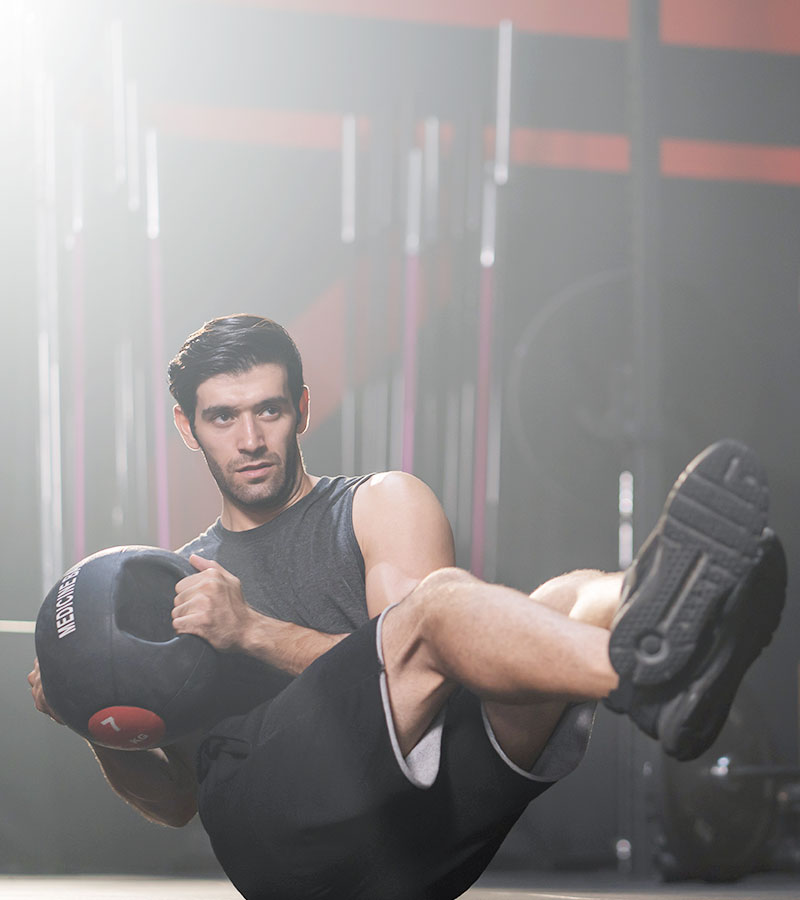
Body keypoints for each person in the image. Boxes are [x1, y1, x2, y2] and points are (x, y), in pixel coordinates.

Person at [29, 315, 786, 900]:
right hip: (286, 850)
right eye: (223, 417)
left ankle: (665, 612)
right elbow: (178, 804)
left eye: (268, 410)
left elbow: (427, 679)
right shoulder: (180, 582)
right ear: (187, 428)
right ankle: (655, 667)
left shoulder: (379, 504)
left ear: (302, 408)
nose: (251, 439)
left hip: (423, 837)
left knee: (552, 597)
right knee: (445, 613)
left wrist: (252, 631)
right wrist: (91, 713)